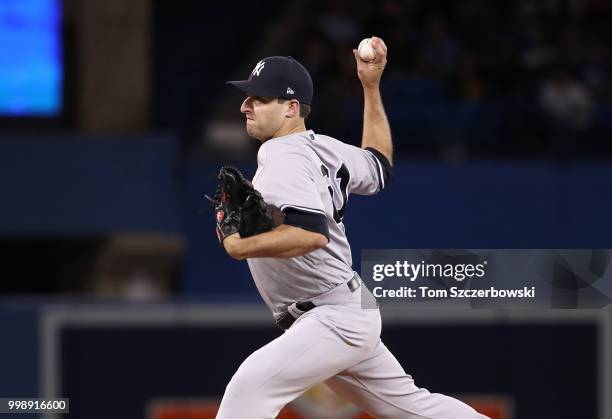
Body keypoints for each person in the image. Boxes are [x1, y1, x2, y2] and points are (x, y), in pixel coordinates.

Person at [216, 37, 488, 419]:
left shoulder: (280, 153)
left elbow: (311, 234)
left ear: (291, 108)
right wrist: (371, 87)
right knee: (413, 408)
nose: (245, 105)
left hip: (331, 316)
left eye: (259, 98)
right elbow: (379, 166)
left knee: (249, 390)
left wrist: (238, 246)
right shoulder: (324, 147)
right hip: (340, 310)